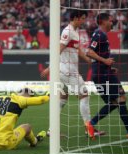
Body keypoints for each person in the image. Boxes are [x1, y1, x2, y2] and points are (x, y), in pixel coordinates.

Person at [41, 10, 105, 139]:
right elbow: (58, 50)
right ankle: (89, 128)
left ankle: (51, 130)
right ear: (75, 18)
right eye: (82, 18)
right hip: (67, 71)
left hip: (64, 71)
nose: (84, 21)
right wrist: (50, 67)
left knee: (62, 98)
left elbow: (78, 50)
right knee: (84, 94)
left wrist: (89, 60)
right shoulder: (68, 31)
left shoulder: (75, 32)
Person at [87, 13, 128, 140]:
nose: (112, 22)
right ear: (103, 21)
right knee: (120, 98)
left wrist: (107, 65)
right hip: (102, 73)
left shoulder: (102, 35)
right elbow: (89, 52)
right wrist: (105, 62)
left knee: (115, 102)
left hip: (103, 71)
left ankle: (91, 124)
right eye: (110, 20)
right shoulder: (99, 34)